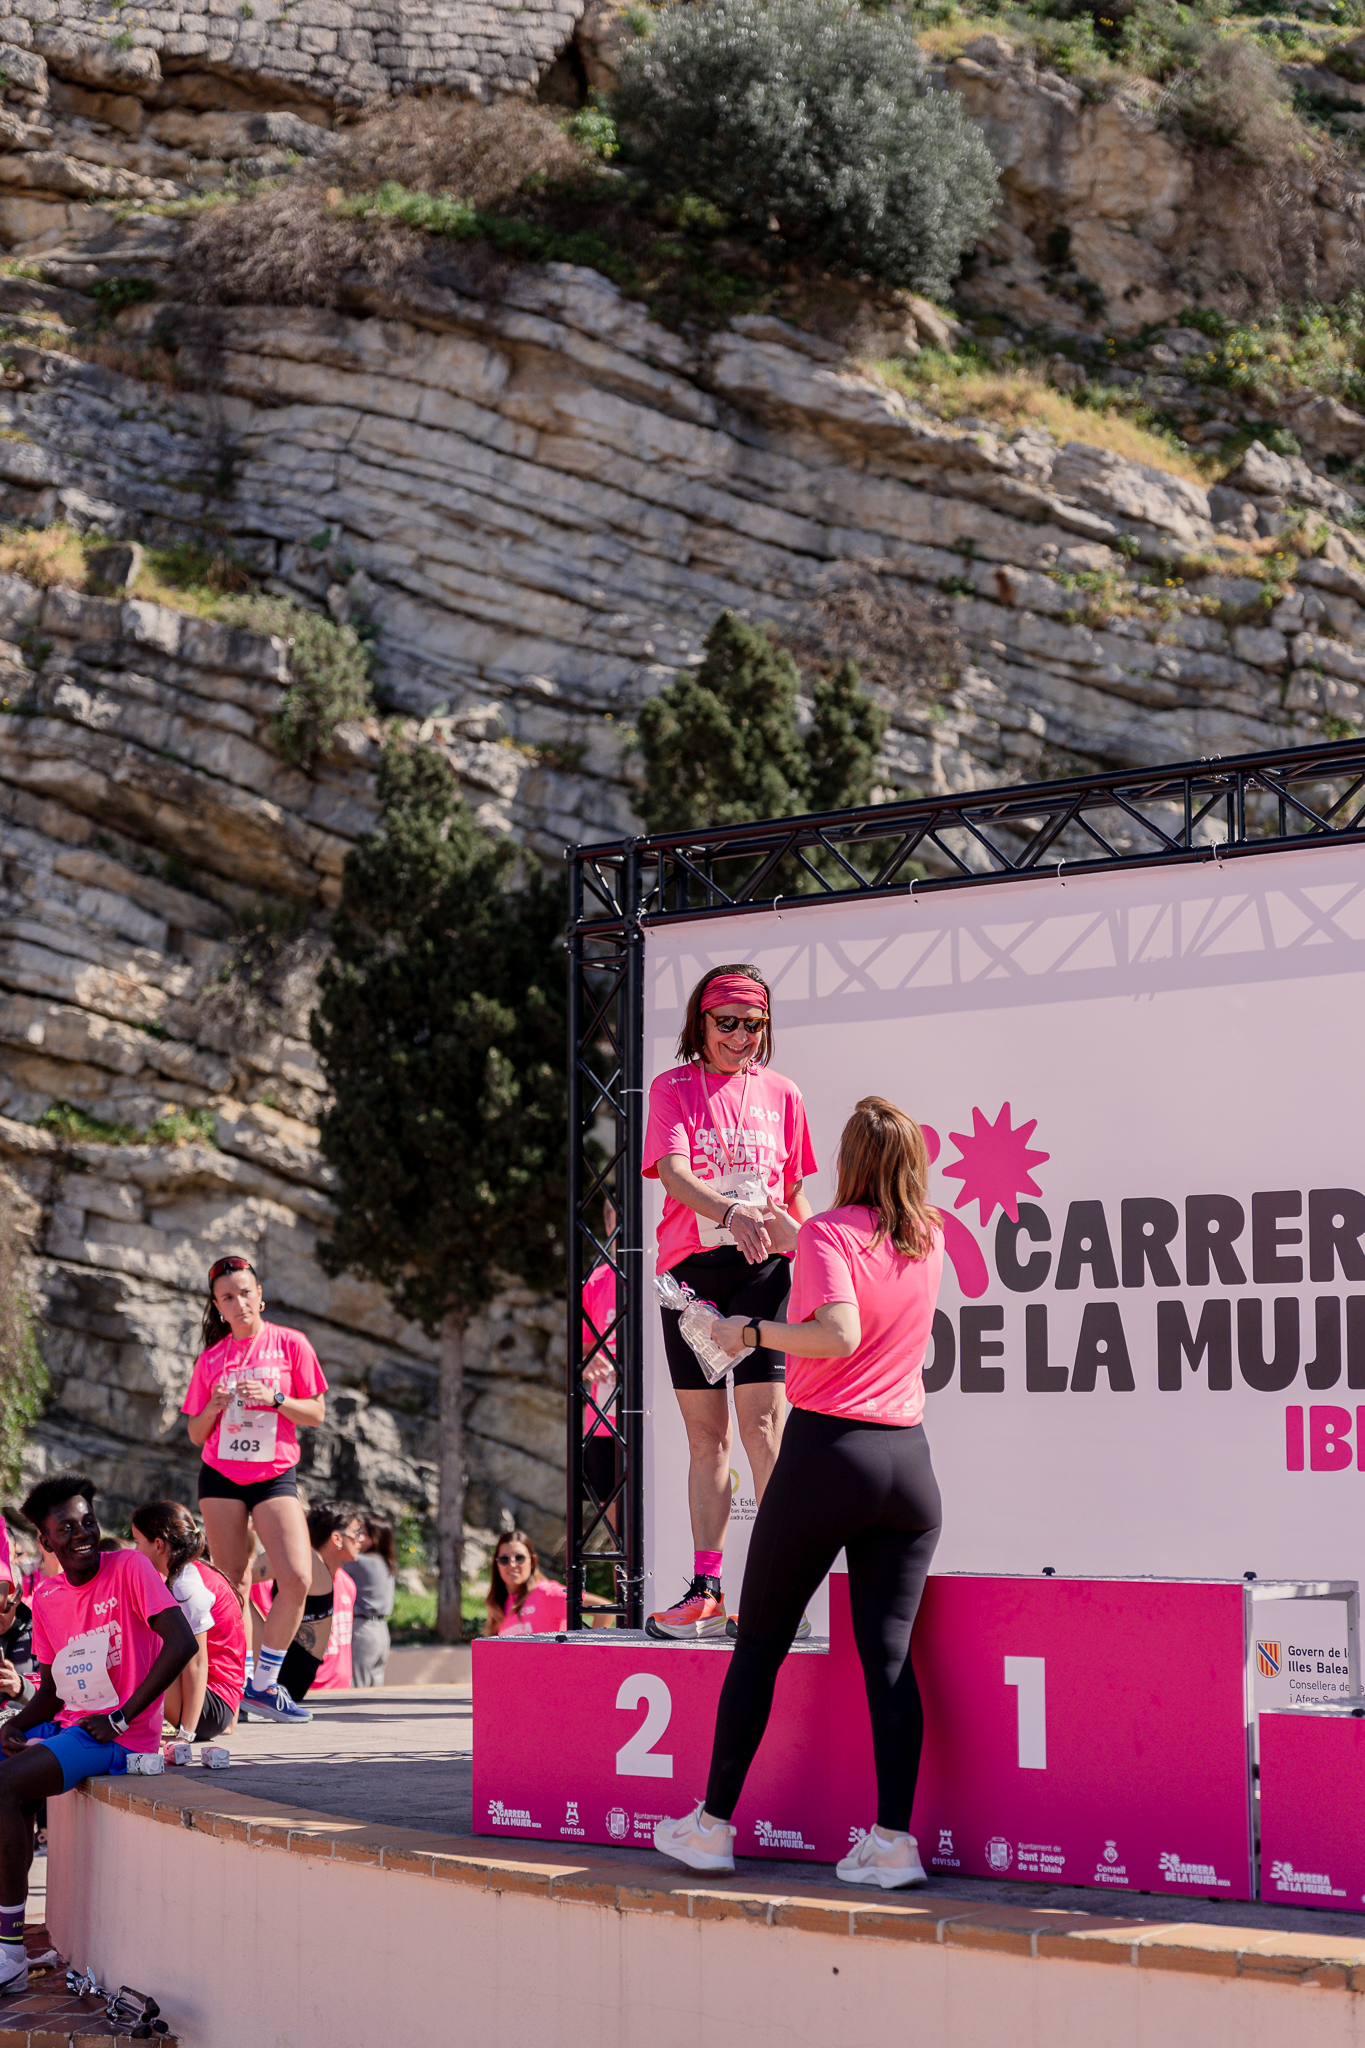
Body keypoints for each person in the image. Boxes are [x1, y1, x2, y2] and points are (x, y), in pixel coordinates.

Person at [653, 1096, 945, 1891]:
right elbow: (863, 1266)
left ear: (848, 1162)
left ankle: (711, 1827)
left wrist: (746, 1332)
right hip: (909, 1467)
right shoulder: (929, 1234)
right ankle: (893, 1843)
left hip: (829, 1457)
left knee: (759, 1647)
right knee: (889, 1660)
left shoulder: (826, 1234)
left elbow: (838, 1333)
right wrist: (798, 1236)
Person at [643, 964, 816, 1640]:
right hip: (691, 1276)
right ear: (701, 1022)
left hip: (763, 1270)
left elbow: (794, 1190)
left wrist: (813, 1251)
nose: (741, 1036)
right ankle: (706, 1591)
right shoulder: (673, 1087)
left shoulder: (783, 1092)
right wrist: (730, 1212)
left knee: (764, 1429)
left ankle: (778, 1590)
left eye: (754, 1025)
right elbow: (674, 1174)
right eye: (728, 1024)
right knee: (705, 1437)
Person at [0, 1475, 195, 1994]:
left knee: (6, 1787)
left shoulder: (129, 1567)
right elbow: (53, 1691)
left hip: (117, 1737)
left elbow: (182, 1643)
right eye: (66, 1527)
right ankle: (8, 1941)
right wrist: (16, 1725)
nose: (82, 1533)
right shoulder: (46, 1595)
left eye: (88, 1521)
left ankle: (8, 1952)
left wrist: (121, 1717)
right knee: (9, 1781)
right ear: (45, 1541)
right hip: (73, 1723)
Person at [181, 1254, 328, 1725]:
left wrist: (276, 1399)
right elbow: (195, 1433)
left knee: (297, 1577)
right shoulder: (211, 1358)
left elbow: (317, 1413)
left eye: (245, 1292)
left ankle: (264, 1684)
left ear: (259, 1295)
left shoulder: (291, 1343)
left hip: (273, 1474)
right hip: (220, 1477)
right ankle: (239, 1681)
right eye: (227, 1297)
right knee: (232, 1581)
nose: (238, 1302)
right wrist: (214, 1407)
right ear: (218, 1307)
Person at [129, 1502, 246, 1742]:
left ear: (158, 1545)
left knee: (139, 1645)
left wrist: (185, 1735)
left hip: (209, 1709)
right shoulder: (194, 1571)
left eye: (138, 1542)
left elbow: (197, 1663)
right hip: (219, 1704)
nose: (135, 1550)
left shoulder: (186, 1586)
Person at [250, 1502, 363, 1700]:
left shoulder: (347, 1583)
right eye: (357, 1533)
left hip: (336, 1691)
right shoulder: (294, 1564)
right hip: (295, 1684)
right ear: (337, 1538)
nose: (361, 1539)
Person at [581, 1197, 621, 1542]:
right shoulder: (594, 1281)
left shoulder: (666, 1276)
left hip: (656, 1418)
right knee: (618, 1531)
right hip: (603, 1421)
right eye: (613, 1218)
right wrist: (589, 1360)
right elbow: (580, 1350)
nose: (619, 1226)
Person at [342, 1519, 396, 1688]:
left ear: (374, 1539)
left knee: (357, 1686)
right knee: (375, 1687)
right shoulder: (385, 1562)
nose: (358, 1538)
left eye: (362, 1534)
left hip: (363, 1629)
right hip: (382, 1631)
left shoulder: (361, 1562)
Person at [485, 1532, 567, 1636]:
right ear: (497, 1564)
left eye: (519, 1558)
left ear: (532, 1561)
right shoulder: (498, 1607)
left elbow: (588, 1603)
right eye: (504, 1559)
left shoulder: (545, 1593)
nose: (512, 1564)